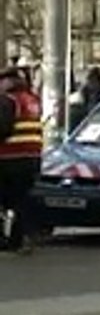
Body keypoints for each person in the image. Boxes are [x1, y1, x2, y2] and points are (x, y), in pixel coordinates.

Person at [0, 67, 43, 255]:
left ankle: (5, 239)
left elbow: (3, 129)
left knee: (5, 199)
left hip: (9, 157)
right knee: (22, 200)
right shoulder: (32, 99)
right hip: (32, 157)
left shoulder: (7, 101)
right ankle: (22, 238)